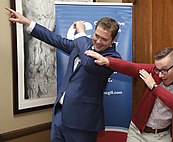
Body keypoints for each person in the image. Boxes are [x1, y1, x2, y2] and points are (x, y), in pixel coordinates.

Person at [5, 7, 121, 142]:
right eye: (96, 36)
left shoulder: (113, 58)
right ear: (94, 32)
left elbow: (89, 63)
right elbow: (55, 39)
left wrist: (81, 33)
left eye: (104, 39)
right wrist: (27, 22)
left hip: (82, 121)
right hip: (60, 114)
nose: (98, 42)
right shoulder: (83, 43)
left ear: (112, 41)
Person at [85, 47, 173, 142]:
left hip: (161, 136)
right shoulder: (155, 72)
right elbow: (133, 68)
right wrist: (107, 61)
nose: (160, 75)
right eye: (158, 69)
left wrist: (154, 87)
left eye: (164, 70)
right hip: (137, 131)